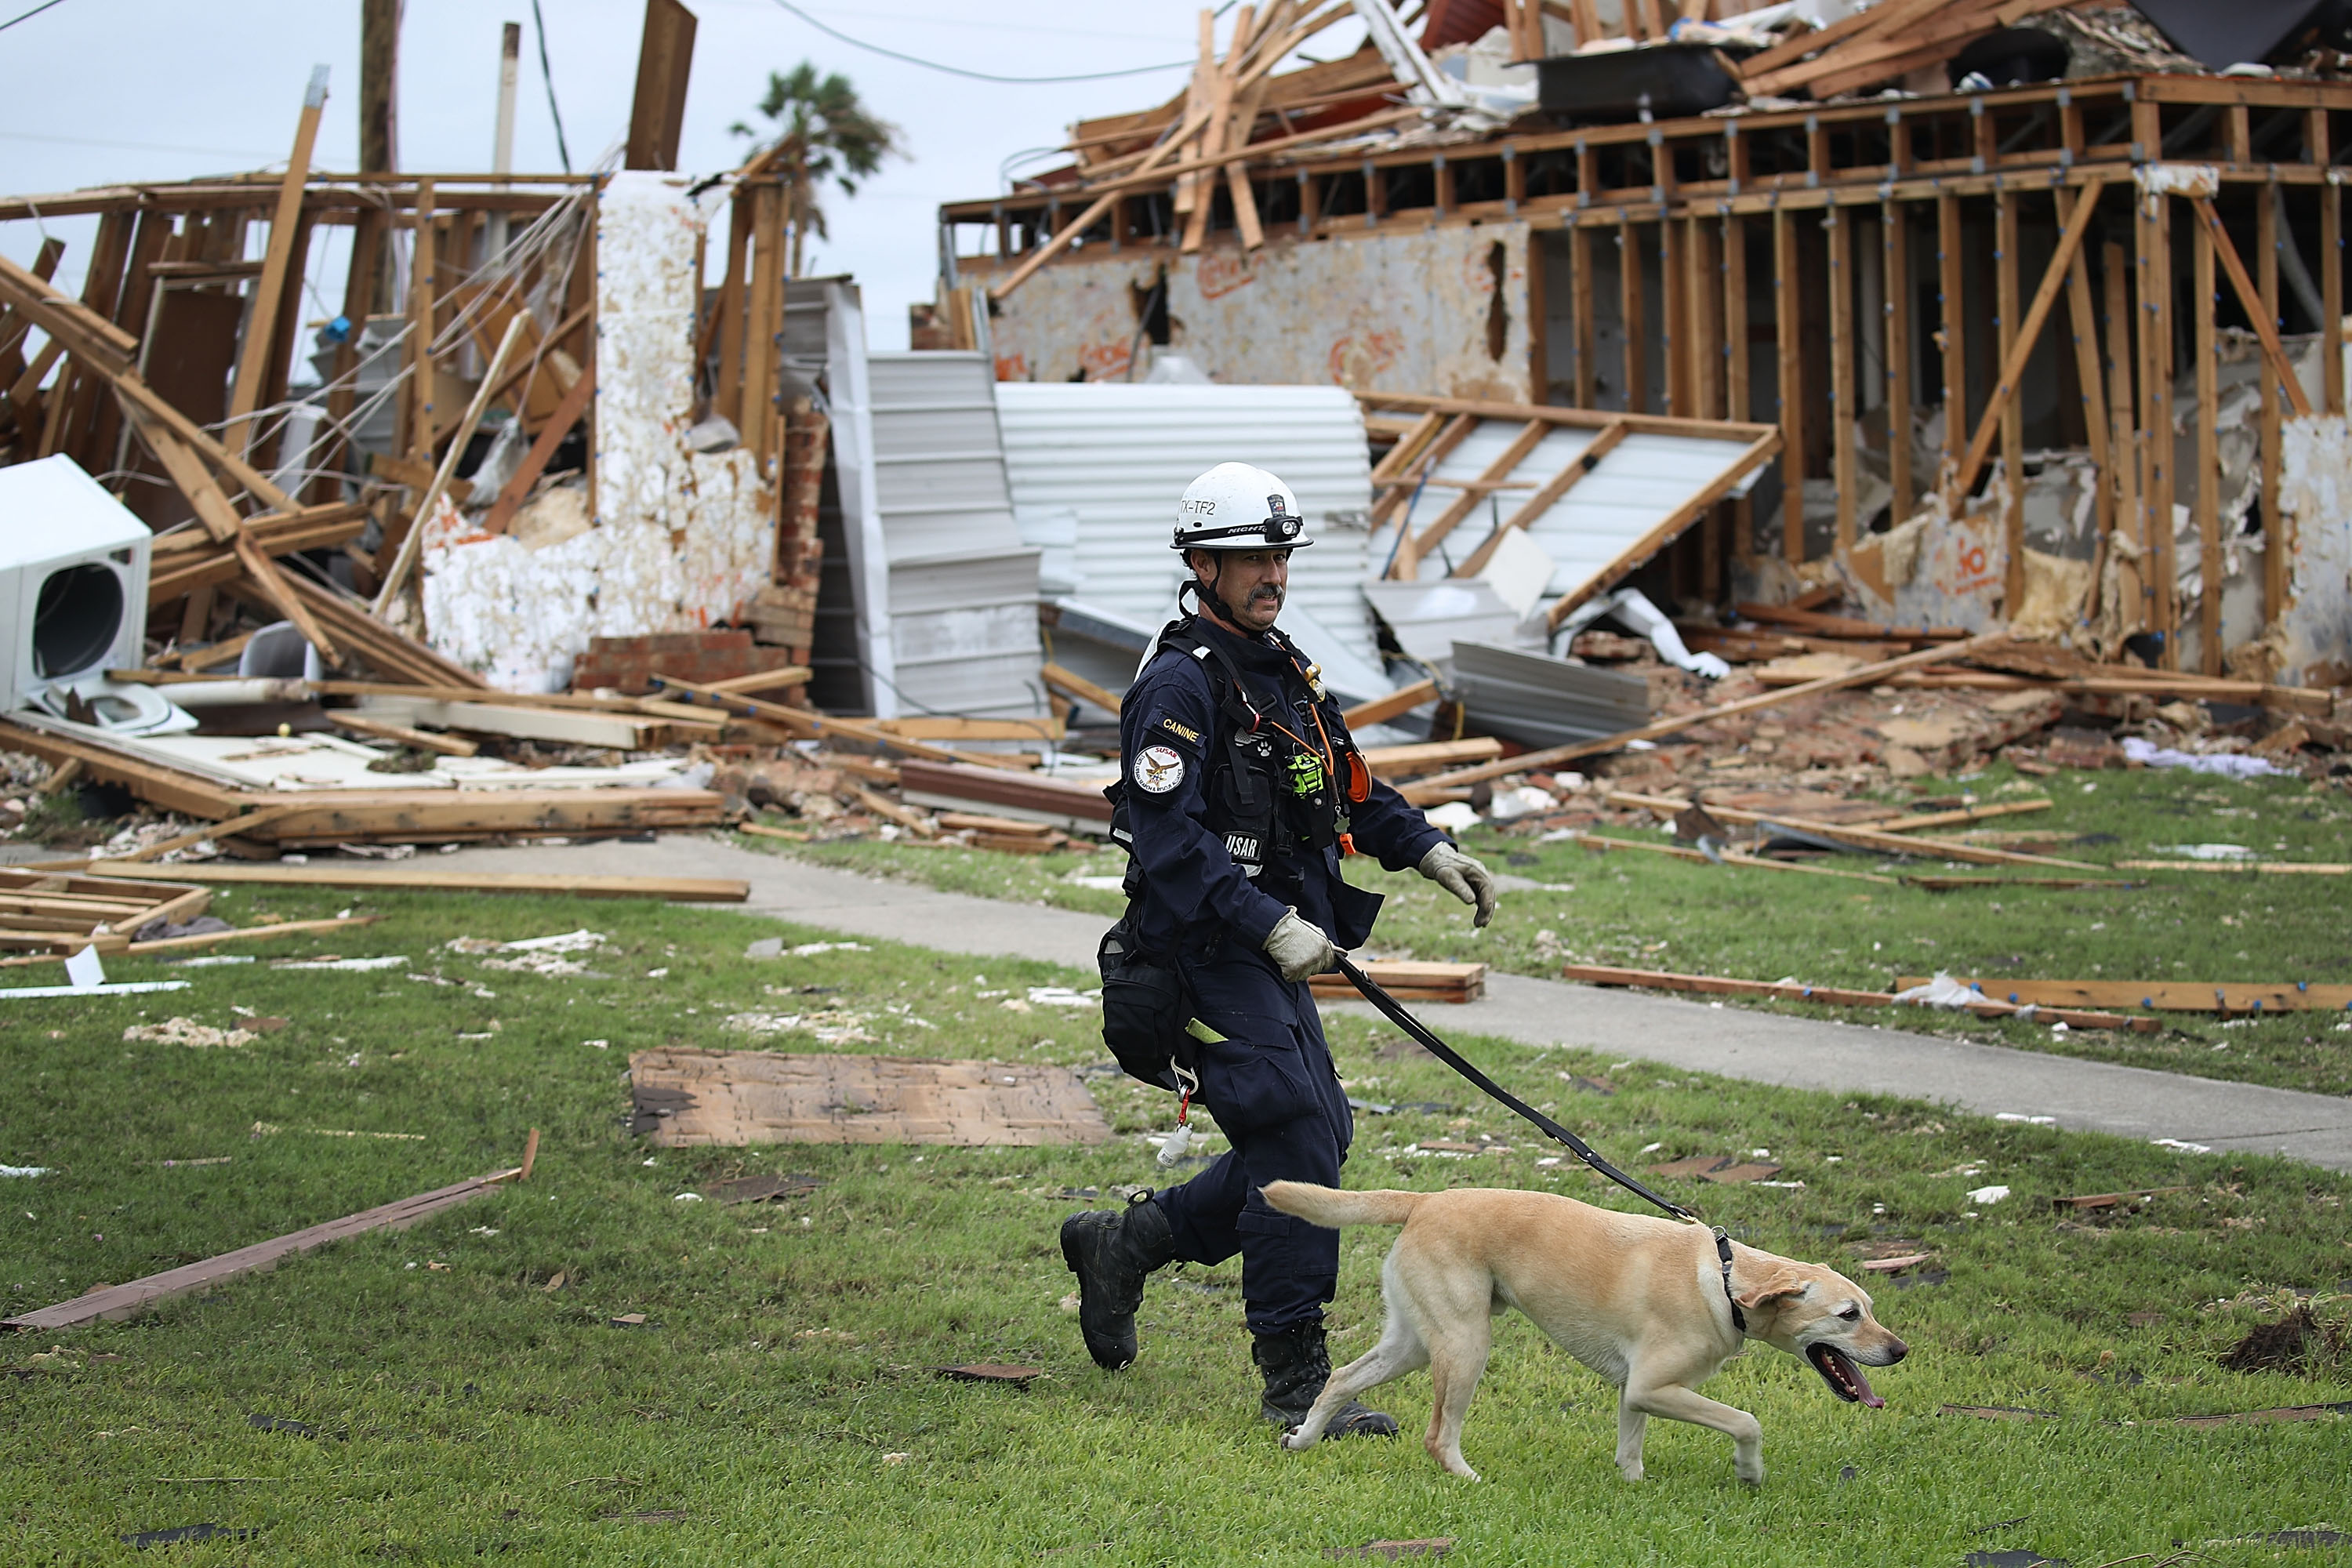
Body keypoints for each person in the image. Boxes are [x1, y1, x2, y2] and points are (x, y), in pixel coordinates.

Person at [1062, 460, 1499, 1437]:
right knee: (1298, 1133)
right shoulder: (1178, 686)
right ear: (1202, 564)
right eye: (1251, 556)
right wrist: (1269, 921)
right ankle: (1297, 1380)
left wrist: (1428, 848)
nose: (1273, 572)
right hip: (1197, 957)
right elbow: (1168, 841)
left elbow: (1342, 784)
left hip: (1271, 951)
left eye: (1280, 553)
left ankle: (1124, 1242)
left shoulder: (1285, 669)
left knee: (1314, 1138)